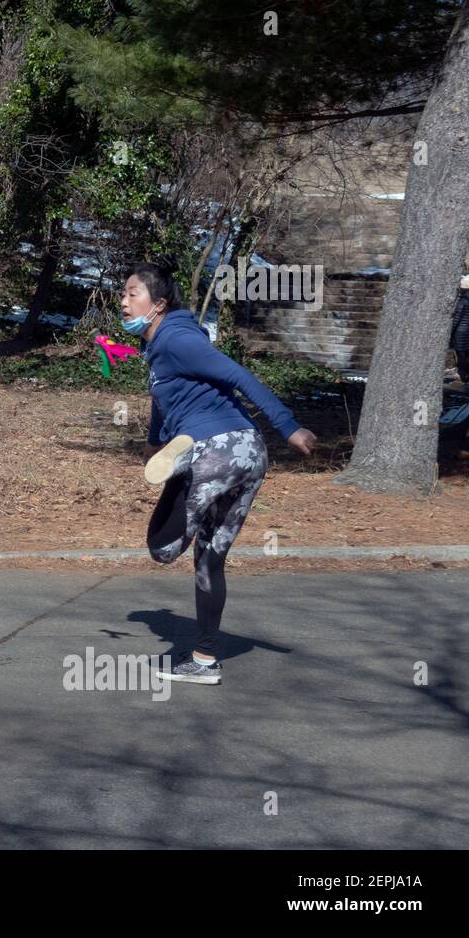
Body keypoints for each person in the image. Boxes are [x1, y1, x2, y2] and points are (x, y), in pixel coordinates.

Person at [124, 262, 316, 685]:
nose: (124, 302)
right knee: (210, 558)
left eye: (132, 293)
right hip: (249, 455)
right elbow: (164, 406)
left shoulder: (176, 339)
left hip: (216, 449)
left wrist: (289, 426)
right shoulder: (160, 350)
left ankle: (184, 452)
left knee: (162, 548)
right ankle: (205, 660)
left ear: (157, 304)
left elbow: (237, 374)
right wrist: (153, 445)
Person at [450, 272, 469, 388]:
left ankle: (462, 376)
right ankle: (466, 375)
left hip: (461, 332)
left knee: (461, 355)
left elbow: (457, 317)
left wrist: (451, 331)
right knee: (466, 354)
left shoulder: (463, 300)